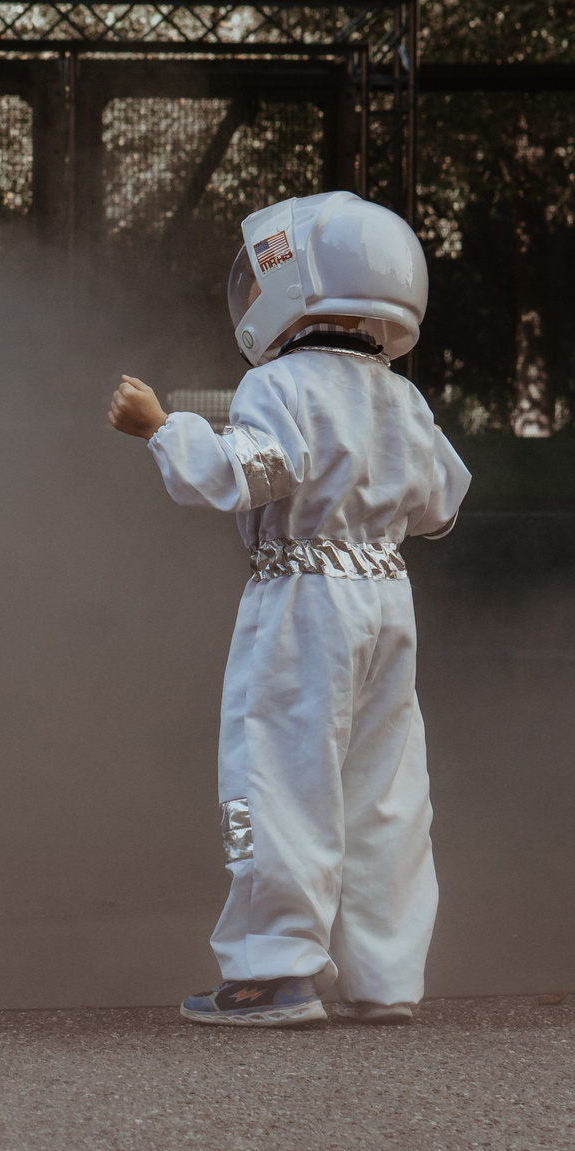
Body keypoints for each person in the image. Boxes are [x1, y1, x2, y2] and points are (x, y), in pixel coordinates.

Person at [107, 192, 471, 1028]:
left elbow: (246, 474)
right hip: (387, 603)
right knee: (386, 789)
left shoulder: (279, 383)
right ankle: (386, 975)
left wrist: (163, 428)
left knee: (274, 776)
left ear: (297, 285)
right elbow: (442, 504)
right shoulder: (401, 398)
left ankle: (273, 971)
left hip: (304, 598)